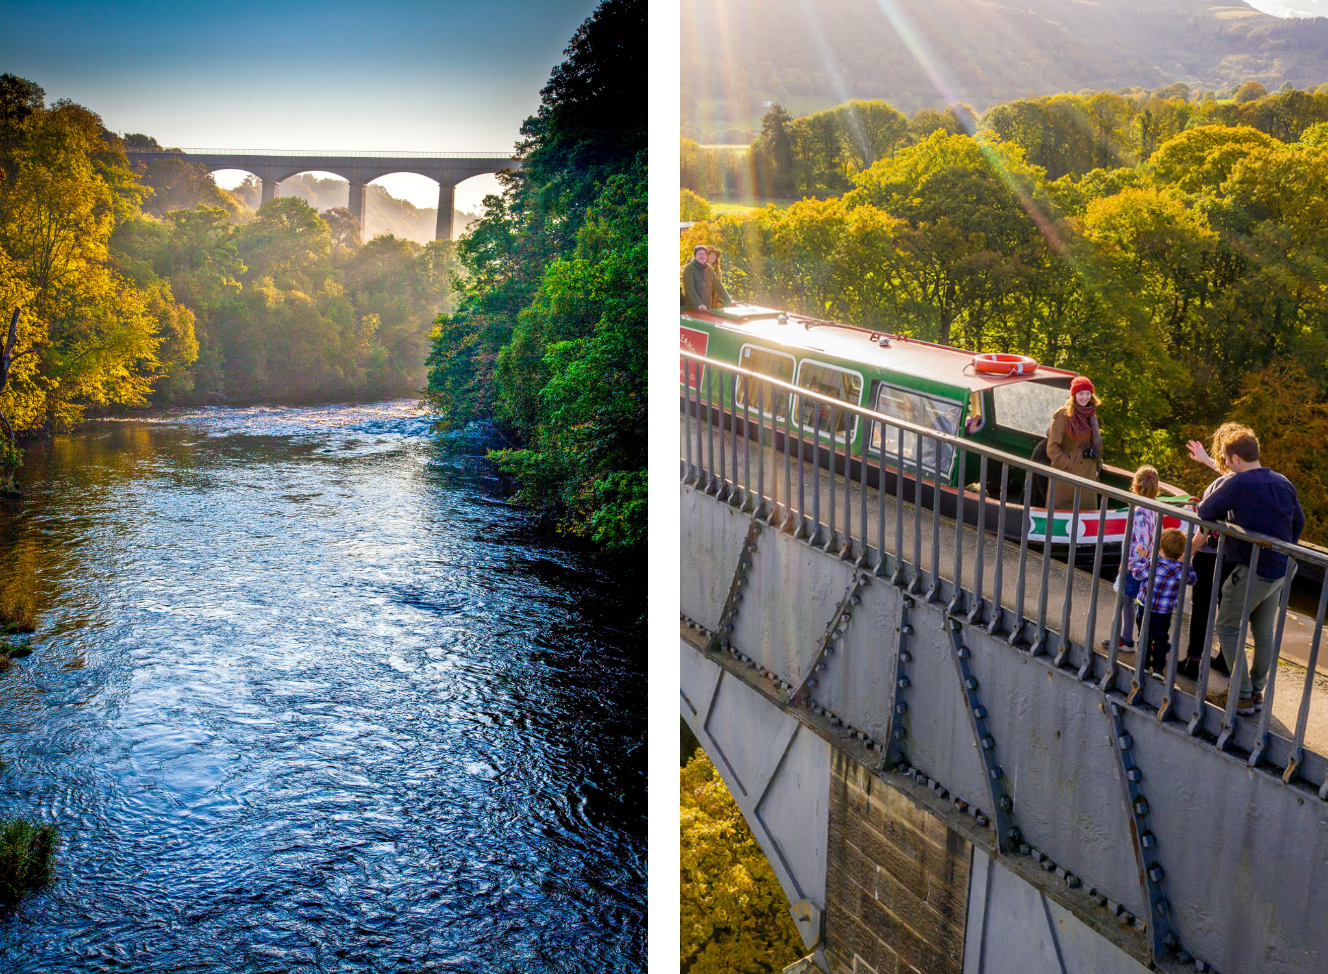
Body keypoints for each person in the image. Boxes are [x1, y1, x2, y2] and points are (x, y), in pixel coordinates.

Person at [1197, 428, 1305, 715]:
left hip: (1252, 570)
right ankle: (1256, 693)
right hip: (1282, 568)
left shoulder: (1239, 483)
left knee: (1228, 628)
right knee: (1263, 632)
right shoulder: (1283, 483)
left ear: (1234, 458)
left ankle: (1241, 697)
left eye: (1225, 460)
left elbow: (1205, 511)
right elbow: (1299, 522)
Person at [1177, 423, 1242, 679]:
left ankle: (1193, 663)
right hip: (1236, 558)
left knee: (1202, 608)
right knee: (1229, 611)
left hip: (1211, 558)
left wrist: (1185, 555)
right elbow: (1232, 475)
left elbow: (1204, 533)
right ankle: (1227, 661)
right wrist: (1206, 461)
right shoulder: (1251, 483)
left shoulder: (1217, 488)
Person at [1104, 466, 1161, 654]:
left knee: (1124, 602)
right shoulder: (1154, 509)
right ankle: (1137, 640)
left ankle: (1125, 639)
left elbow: (1141, 545)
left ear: (1135, 488)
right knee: (1137, 603)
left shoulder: (1139, 512)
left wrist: (1128, 565)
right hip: (1146, 566)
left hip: (1134, 568)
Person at [1132, 528, 1197, 676]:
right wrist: (1186, 563)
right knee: (1161, 638)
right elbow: (1192, 579)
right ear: (1181, 553)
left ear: (1160, 550)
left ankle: (1143, 664)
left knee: (1144, 636)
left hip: (1144, 607)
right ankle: (1158, 668)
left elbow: (1137, 574)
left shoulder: (1153, 564)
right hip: (1164, 612)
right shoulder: (1181, 569)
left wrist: (1142, 557)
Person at [1046, 376, 1103, 511]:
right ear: (1074, 395)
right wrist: (1068, 464)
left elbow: (1096, 443)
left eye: (1088, 393)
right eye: (1081, 393)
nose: (1084, 397)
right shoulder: (1063, 415)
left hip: (1088, 475)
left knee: (1085, 515)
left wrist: (1097, 466)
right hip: (1066, 476)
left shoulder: (1091, 414)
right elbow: (1052, 448)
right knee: (1062, 515)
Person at [681, 244, 731, 312]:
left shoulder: (709, 268)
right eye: (699, 254)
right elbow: (689, 289)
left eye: (704, 254)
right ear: (695, 257)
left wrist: (728, 300)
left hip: (706, 308)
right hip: (692, 308)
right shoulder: (689, 268)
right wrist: (699, 304)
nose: (702, 256)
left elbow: (718, 286)